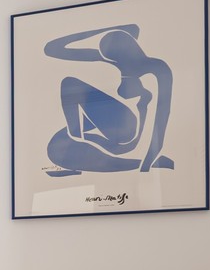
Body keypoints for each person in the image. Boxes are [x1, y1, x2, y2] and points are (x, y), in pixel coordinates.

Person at [42, 24, 174, 175]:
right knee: (56, 148)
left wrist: (148, 162)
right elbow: (52, 49)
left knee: (69, 83)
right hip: (109, 129)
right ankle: (79, 141)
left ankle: (78, 138)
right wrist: (104, 30)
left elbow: (161, 117)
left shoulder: (157, 68)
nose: (112, 63)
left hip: (128, 132)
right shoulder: (114, 59)